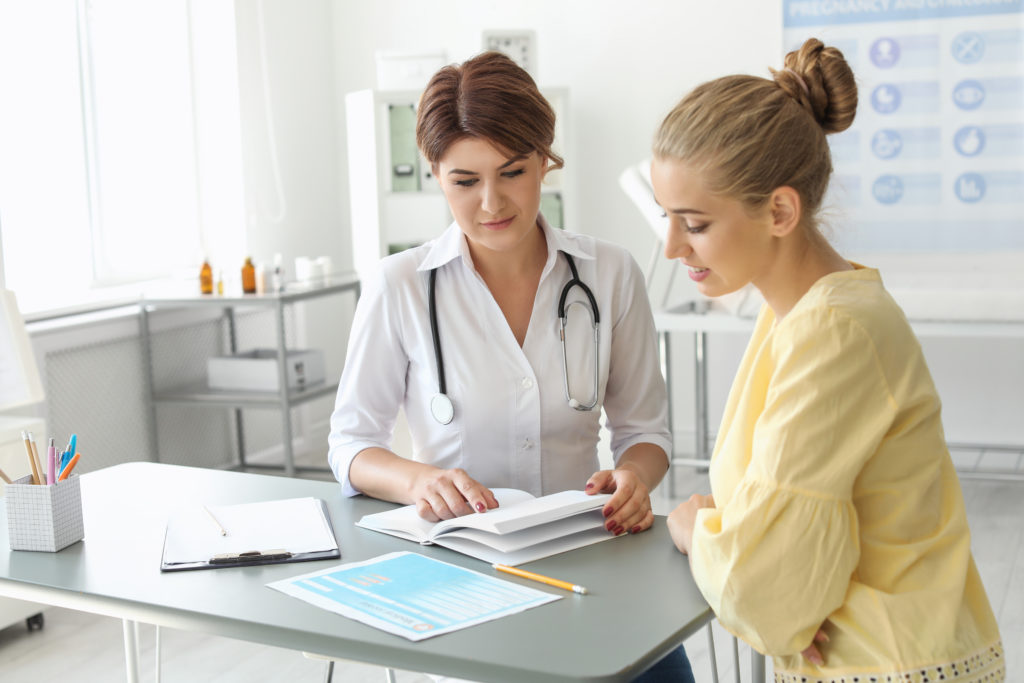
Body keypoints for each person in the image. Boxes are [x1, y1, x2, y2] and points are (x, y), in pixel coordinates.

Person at [328, 51, 692, 682]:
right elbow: (352, 445)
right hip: (460, 578)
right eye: (464, 181)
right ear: (435, 175)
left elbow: (646, 433)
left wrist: (633, 479)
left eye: (513, 172)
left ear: (545, 161)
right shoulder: (401, 286)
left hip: (589, 561)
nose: (491, 202)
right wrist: (419, 481)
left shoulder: (609, 273)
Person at [654, 38, 1004, 682]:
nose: (673, 245)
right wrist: (743, 547)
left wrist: (692, 527)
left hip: (890, 664)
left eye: (694, 223)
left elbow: (768, 592)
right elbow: (774, 568)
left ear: (780, 211)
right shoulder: (799, 315)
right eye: (666, 218)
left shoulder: (834, 333)